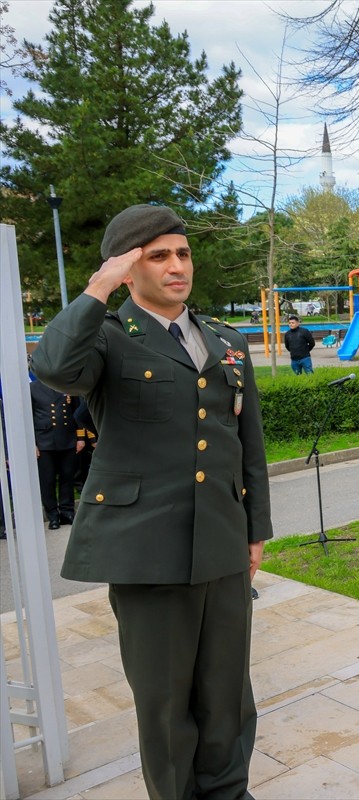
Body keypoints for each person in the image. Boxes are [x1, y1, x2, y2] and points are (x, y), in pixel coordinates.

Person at [31, 203, 273, 800]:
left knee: (227, 692)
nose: (176, 266)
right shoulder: (109, 339)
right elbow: (53, 367)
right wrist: (98, 288)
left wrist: (255, 530)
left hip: (220, 539)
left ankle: (229, 791)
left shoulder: (226, 339)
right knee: (165, 701)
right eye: (157, 256)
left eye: (182, 254)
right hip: (146, 546)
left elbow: (249, 445)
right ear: (128, 267)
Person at [29, 373, 81, 530]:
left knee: (67, 477)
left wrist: (80, 438)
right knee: (48, 480)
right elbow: (28, 417)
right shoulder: (32, 388)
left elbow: (77, 412)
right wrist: (33, 443)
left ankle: (67, 512)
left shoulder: (66, 384)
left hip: (68, 438)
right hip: (44, 441)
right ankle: (53, 516)